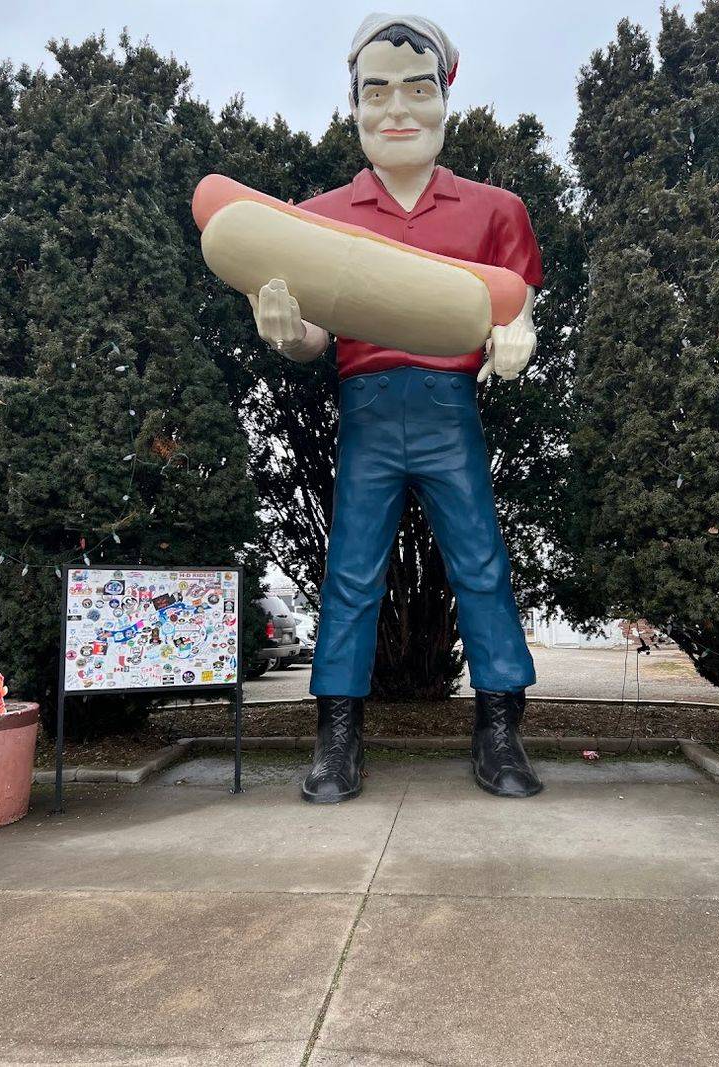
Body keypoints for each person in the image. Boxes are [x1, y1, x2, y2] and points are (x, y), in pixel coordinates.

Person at [248, 14, 545, 803]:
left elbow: (515, 305)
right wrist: (288, 331)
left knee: (480, 564)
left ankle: (500, 724)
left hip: (449, 405)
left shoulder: (494, 211)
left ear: (445, 96)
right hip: (369, 407)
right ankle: (337, 732)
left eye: (416, 89)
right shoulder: (317, 219)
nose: (397, 110)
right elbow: (314, 335)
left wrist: (518, 331)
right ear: (353, 105)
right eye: (375, 93)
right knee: (351, 570)